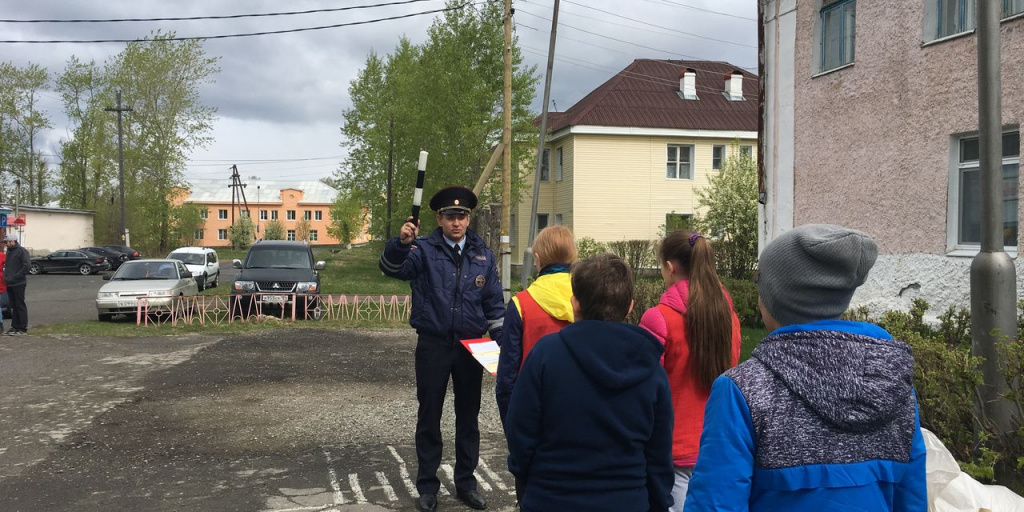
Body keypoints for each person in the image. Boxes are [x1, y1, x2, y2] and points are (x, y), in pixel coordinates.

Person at [684, 224, 927, 511]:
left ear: (773, 297)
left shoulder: (741, 391)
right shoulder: (894, 385)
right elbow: (911, 500)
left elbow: (715, 504)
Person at [505, 253, 674, 512]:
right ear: (630, 307)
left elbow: (520, 433)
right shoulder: (651, 368)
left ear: (575, 304)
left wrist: (531, 482)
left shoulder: (545, 355)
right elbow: (659, 455)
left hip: (552, 497)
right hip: (626, 500)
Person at [378, 185, 504, 512]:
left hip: (472, 345)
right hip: (433, 344)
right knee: (429, 415)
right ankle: (427, 486)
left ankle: (466, 483)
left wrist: (504, 347)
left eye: (462, 216)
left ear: (469, 218)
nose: (457, 222)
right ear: (439, 218)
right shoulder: (422, 249)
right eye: (450, 216)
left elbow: (493, 305)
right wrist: (400, 244)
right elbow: (392, 269)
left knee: (468, 417)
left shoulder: (483, 255)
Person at [638, 230, 742, 512]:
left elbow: (643, 390)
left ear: (670, 267)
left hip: (672, 450)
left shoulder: (657, 318)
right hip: (719, 444)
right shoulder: (728, 315)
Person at [495, 225, 577, 424]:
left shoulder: (521, 303)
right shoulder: (587, 298)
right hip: (580, 404)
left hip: (533, 407)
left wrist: (511, 425)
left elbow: (508, 375)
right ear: (574, 257)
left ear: (538, 259)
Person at [3, 234, 30, 336]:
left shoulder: (21, 251)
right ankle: (14, 326)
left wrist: (15, 276)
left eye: (7, 242)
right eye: (5, 242)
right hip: (10, 283)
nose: (6, 244)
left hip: (19, 283)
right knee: (13, 306)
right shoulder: (9, 252)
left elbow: (26, 266)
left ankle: (22, 328)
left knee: (19, 305)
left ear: (13, 241)